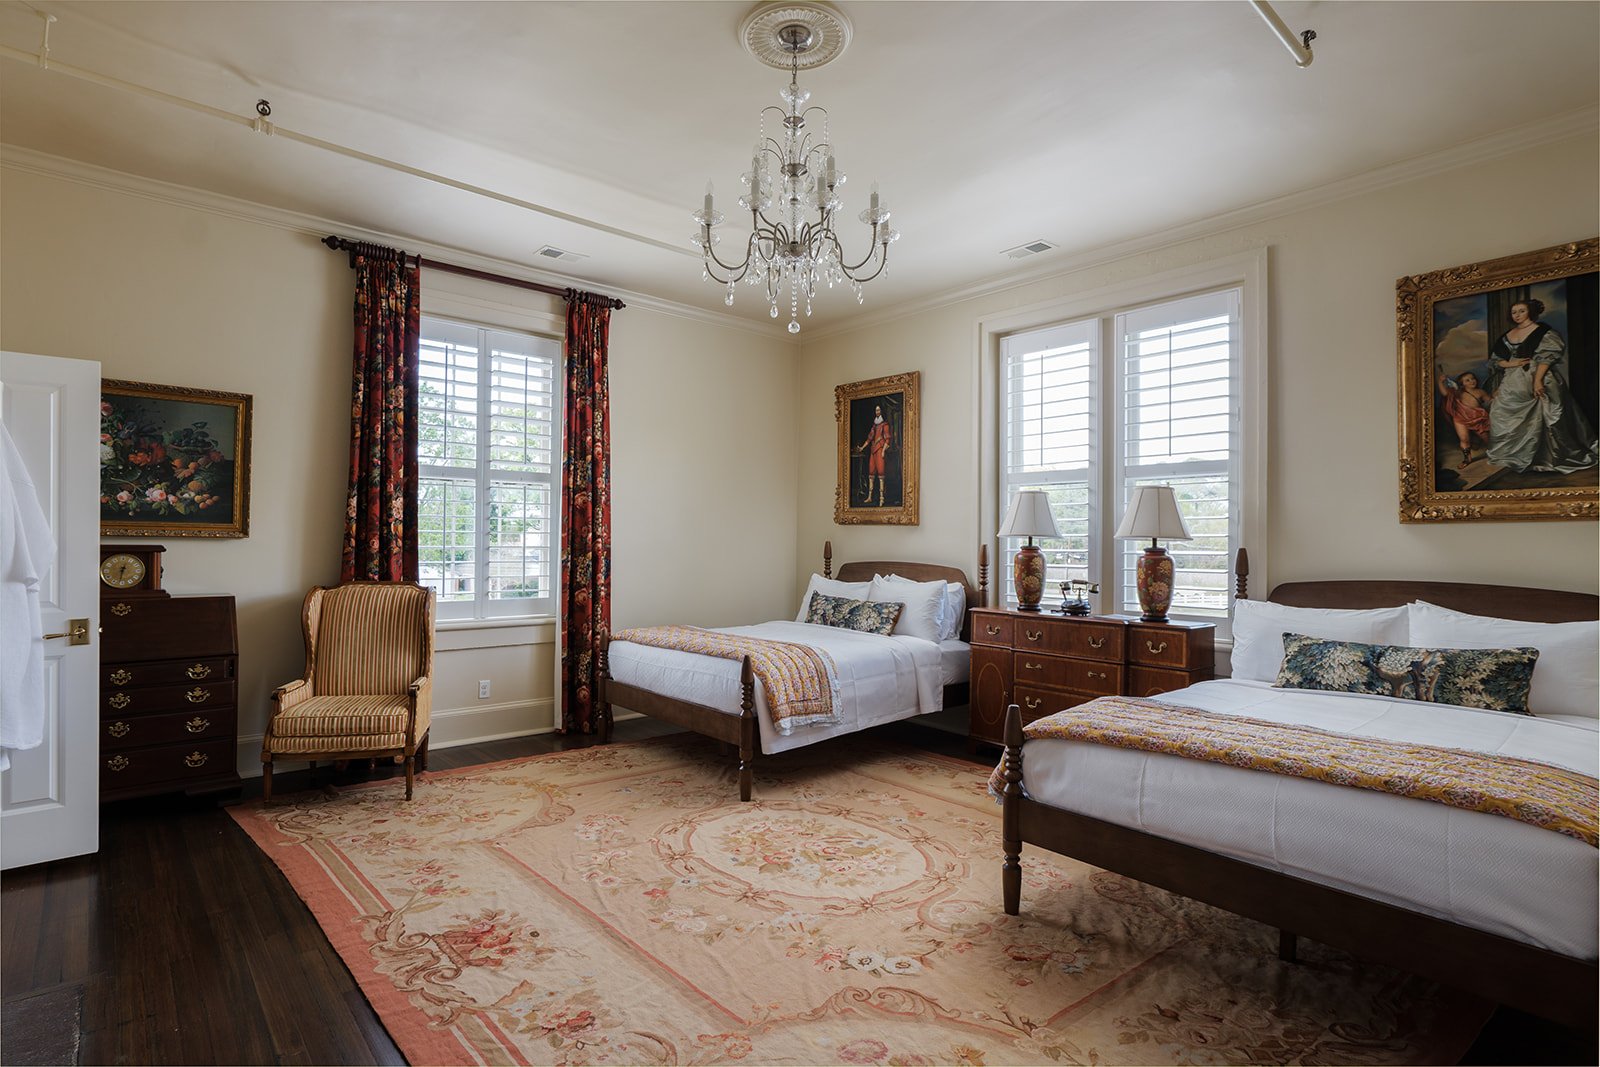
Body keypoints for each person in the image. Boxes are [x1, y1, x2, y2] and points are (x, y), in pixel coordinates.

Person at [1483, 299, 1597, 474]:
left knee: (1547, 414)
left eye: (1521, 311)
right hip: (1513, 381)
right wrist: (1511, 364)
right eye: (1514, 312)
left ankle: (1546, 458)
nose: (1517, 315)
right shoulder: (1508, 334)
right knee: (1501, 413)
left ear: (1531, 312)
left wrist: (1537, 381)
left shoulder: (1543, 331)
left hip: (1538, 375)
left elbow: (1547, 357)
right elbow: (1497, 361)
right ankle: (1515, 456)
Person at [1436, 367, 1492, 467]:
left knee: (1487, 438)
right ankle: (1467, 458)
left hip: (1478, 418)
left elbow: (1490, 402)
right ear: (1462, 384)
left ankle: (1496, 454)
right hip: (1460, 417)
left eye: (1473, 378)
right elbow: (1445, 393)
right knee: (1464, 439)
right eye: (1467, 380)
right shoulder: (1458, 392)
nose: (1472, 381)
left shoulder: (1480, 392)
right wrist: (1441, 382)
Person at [855, 403, 894, 506]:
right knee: (871, 474)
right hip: (873, 450)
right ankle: (869, 497)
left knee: (881, 474)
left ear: (882, 412)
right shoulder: (874, 426)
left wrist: (883, 451)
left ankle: (882, 499)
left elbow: (888, 439)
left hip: (880, 449)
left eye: (879, 410)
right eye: (876, 410)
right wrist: (862, 448)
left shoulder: (885, 425)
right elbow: (869, 439)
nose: (877, 412)